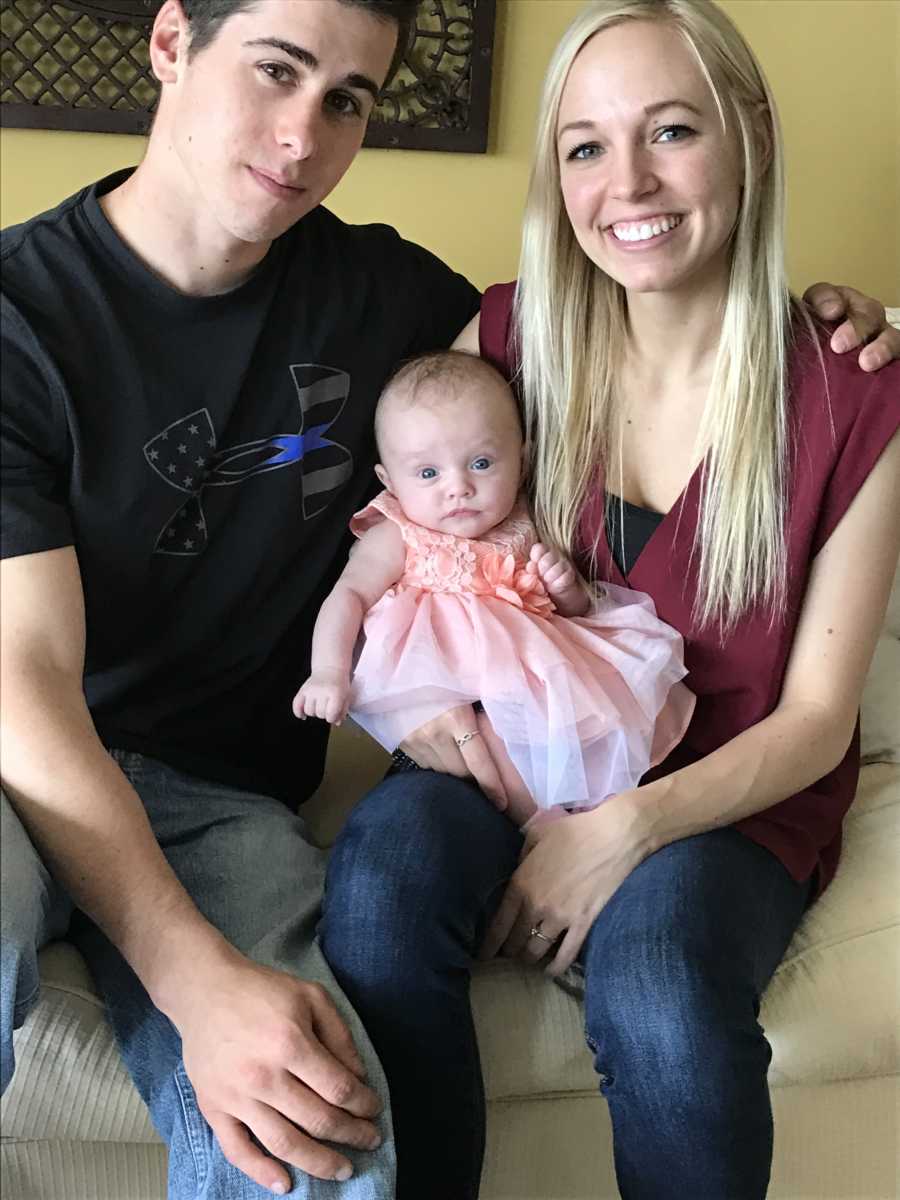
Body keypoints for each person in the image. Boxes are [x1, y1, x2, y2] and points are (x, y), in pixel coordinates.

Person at [0, 0, 895, 1197]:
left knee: (364, 1121)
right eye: (275, 69)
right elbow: (24, 681)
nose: (303, 133)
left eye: (350, 97)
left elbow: (816, 708)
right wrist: (392, 701)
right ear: (170, 47)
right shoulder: (24, 319)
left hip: (287, 801)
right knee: (336, 913)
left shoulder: (400, 304)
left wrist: (846, 319)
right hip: (80, 763)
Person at [317, 2, 900, 1199]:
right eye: (584, 145)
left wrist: (620, 833)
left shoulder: (852, 397)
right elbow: (369, 517)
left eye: (671, 131)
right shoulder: (503, 339)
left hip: (732, 797)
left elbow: (817, 724)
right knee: (378, 890)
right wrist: (402, 709)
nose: (625, 181)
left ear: (752, 139)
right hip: (513, 755)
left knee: (660, 980)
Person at [294, 348, 695, 825]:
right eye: (428, 473)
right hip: (436, 682)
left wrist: (566, 588)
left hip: (533, 679)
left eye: (481, 463)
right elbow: (349, 595)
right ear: (389, 481)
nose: (458, 486)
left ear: (521, 460)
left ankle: (576, 824)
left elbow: (570, 612)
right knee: (477, 765)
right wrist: (328, 672)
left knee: (576, 741)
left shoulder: (524, 522)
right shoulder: (399, 533)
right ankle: (536, 828)